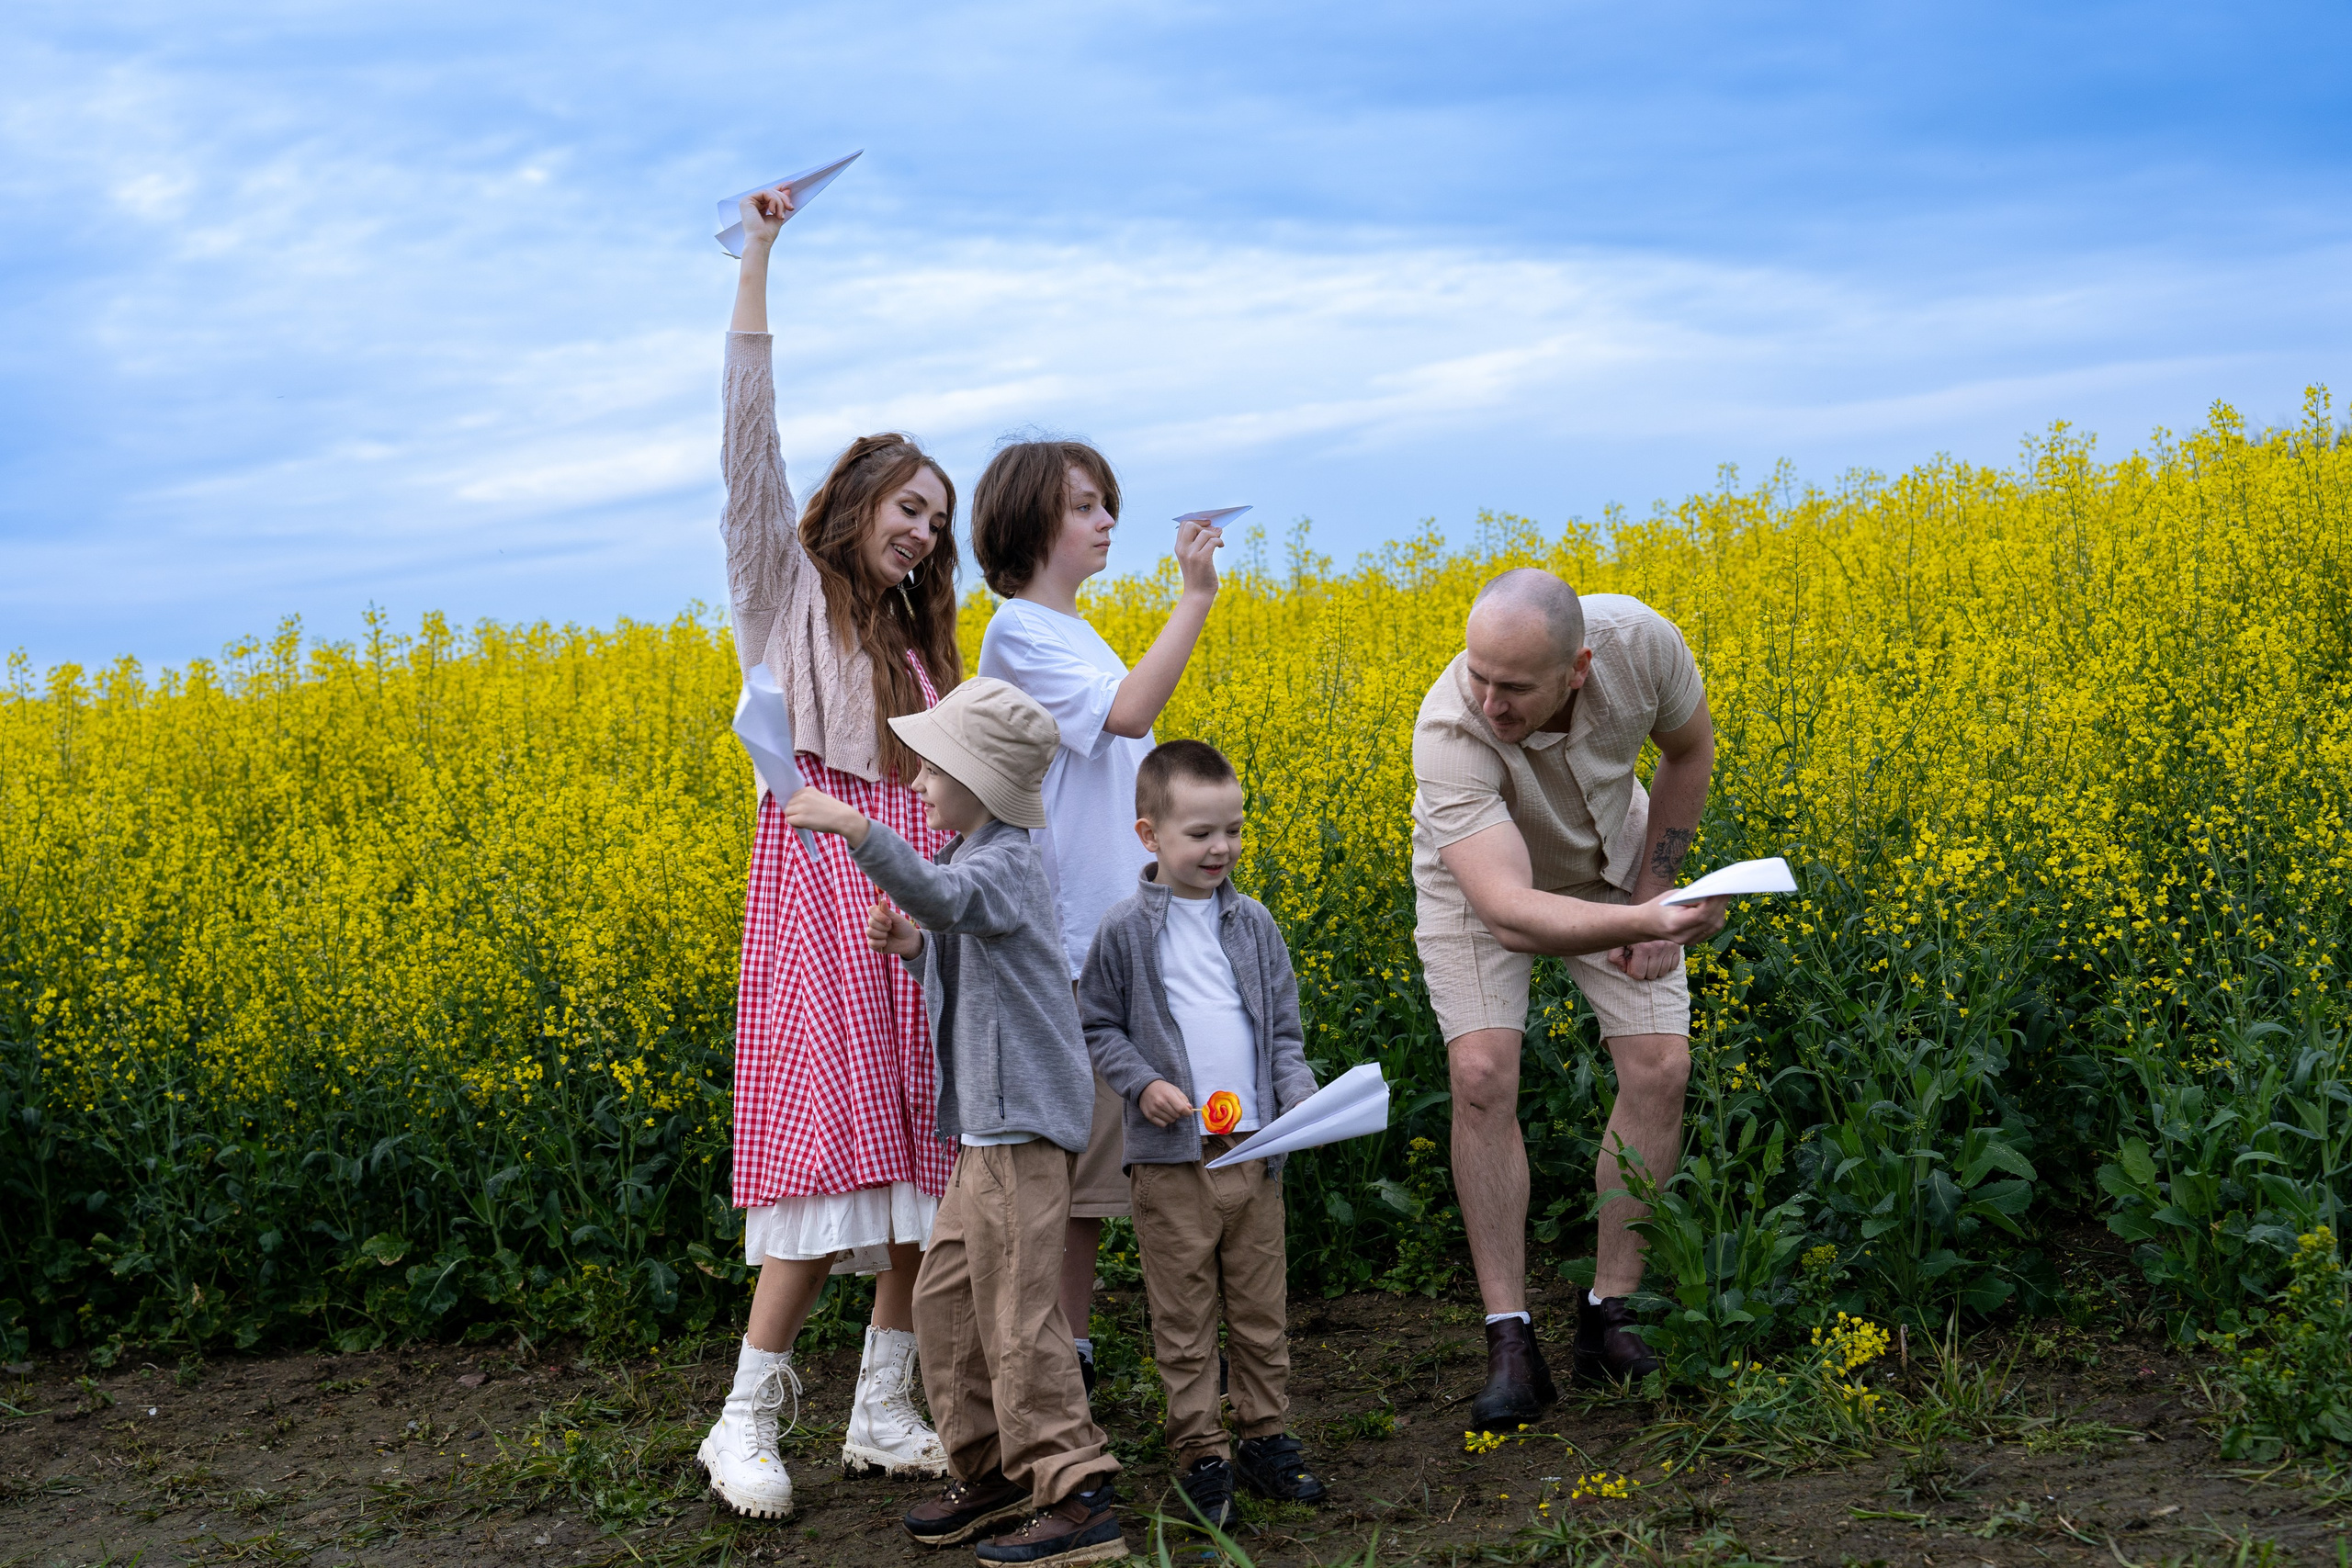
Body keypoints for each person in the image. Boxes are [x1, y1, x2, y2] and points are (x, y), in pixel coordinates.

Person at [696, 186, 959, 1520]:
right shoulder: (780, 589)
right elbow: (749, 439)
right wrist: (759, 256)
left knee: (925, 1149)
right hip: (820, 873)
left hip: (911, 880)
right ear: (858, 496)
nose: (919, 531)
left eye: (936, 520)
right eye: (907, 506)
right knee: (826, 1153)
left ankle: (884, 1403)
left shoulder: (920, 646)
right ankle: (743, 1415)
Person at [786, 676, 1127, 1567]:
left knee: (1019, 1320)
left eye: (933, 766)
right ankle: (993, 1469)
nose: (919, 781)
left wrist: (861, 832)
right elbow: (970, 972)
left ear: (979, 778)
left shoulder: (1005, 862)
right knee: (943, 1303)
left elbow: (945, 899)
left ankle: (1078, 1490)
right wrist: (916, 952)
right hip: (985, 1133)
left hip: (1018, 1134)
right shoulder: (980, 867)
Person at [1410, 568, 1730, 1428]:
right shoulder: (1449, 733)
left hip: (1614, 854)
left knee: (1661, 1066)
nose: (1488, 700)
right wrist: (1649, 915)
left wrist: (1650, 894)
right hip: (1484, 883)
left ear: (1578, 668)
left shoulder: (1642, 645)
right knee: (1481, 1072)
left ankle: (1610, 1314)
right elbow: (1511, 917)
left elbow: (1689, 747)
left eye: (1513, 686)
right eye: (1478, 673)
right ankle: (1508, 1335)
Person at [970, 440, 1226, 1393]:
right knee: (1077, 1177)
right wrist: (1194, 595)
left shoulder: (1076, 632)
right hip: (1075, 943)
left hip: (1125, 932)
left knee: (1120, 1165)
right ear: (1032, 522)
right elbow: (1125, 716)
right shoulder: (1019, 633)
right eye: (1084, 506)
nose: (1106, 520)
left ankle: (1080, 1354)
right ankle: (1057, 1362)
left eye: (1105, 503)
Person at [1079, 740, 1328, 1530]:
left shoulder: (1254, 924)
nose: (1221, 847)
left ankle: (1263, 1435)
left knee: (1260, 1307)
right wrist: (1143, 1083)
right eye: (1200, 834)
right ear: (1149, 836)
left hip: (1254, 1156)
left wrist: (1303, 1100)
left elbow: (1283, 1035)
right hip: (1172, 1159)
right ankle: (1200, 1450)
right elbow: (1098, 1025)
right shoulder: (1123, 931)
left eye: (1233, 829)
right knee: (1182, 1315)